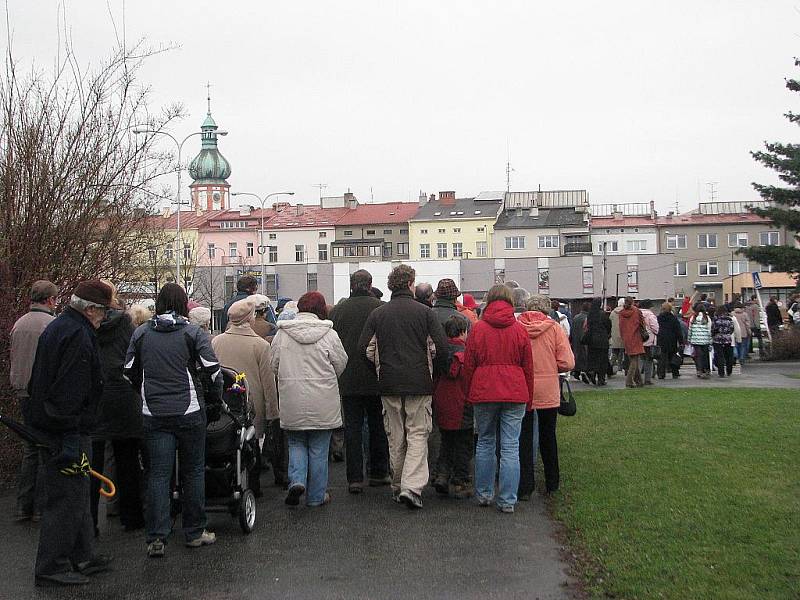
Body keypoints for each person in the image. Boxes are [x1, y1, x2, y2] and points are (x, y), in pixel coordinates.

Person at [124, 283, 222, 558]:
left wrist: (143, 392)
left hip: (154, 413)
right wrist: (214, 399)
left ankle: (157, 537)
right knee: (193, 472)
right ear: (182, 304)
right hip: (189, 412)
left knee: (158, 475)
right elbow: (213, 370)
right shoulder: (191, 332)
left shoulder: (141, 333)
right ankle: (194, 532)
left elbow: (129, 371)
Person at [27, 280, 113, 586]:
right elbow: (70, 390)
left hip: (59, 425)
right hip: (65, 429)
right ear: (90, 309)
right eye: (103, 312)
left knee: (76, 495)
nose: (105, 318)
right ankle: (52, 566)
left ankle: (82, 555)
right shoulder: (77, 334)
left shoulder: (62, 326)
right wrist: (70, 434)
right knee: (66, 499)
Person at [358, 264, 448, 510]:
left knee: (395, 436)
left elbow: (362, 348)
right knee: (418, 434)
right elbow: (441, 348)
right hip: (419, 382)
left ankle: (398, 485)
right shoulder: (425, 313)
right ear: (410, 283)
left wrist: (378, 373)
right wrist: (434, 373)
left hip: (388, 382)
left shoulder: (379, 314)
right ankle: (411, 487)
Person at [270, 292, 347, 507]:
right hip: (323, 400)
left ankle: (296, 480)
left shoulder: (282, 335)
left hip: (291, 398)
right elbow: (341, 363)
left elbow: (273, 365)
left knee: (295, 443)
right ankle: (316, 496)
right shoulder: (329, 334)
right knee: (319, 449)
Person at [463, 284, 533, 514]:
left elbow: (469, 365)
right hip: (514, 391)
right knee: (511, 446)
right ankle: (507, 500)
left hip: (484, 391)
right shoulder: (519, 330)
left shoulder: (478, 329)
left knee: (485, 441)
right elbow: (528, 368)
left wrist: (468, 393)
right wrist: (529, 397)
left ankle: (484, 494)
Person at [329, 269, 390, 494]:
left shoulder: (338, 311)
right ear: (370, 284)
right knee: (378, 426)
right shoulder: (380, 308)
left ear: (351, 284)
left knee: (352, 428)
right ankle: (379, 472)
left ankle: (355, 478)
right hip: (375, 376)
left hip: (348, 377)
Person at [90, 281, 144, 534]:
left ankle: (89, 522)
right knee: (128, 460)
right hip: (124, 396)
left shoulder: (88, 325)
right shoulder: (126, 325)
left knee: (93, 463)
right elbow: (135, 359)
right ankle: (131, 517)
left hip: (97, 396)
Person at [211, 298, 278, 497]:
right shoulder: (260, 345)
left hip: (225, 402)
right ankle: (253, 487)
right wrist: (273, 412)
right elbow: (268, 382)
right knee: (252, 443)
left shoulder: (217, 341)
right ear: (250, 318)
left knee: (227, 444)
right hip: (251, 402)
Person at [10, 280, 58, 523]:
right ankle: (41, 506)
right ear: (50, 300)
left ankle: (23, 505)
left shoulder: (19, 324)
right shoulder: (51, 325)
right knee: (45, 448)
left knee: (30, 447)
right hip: (43, 393)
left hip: (22, 391)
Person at [517, 295, 574, 496]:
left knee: (524, 438)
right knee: (548, 436)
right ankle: (552, 482)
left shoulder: (517, 328)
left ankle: (525, 486)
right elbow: (567, 362)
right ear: (547, 310)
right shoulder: (555, 329)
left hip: (523, 387)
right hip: (548, 388)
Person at [431, 315, 473, 498]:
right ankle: (460, 481)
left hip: (442, 400)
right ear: (463, 332)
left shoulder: (439, 352)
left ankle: (442, 474)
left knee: (446, 441)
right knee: (464, 444)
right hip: (462, 402)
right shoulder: (467, 353)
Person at [618, 297, 645, 388]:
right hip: (635, 336)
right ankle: (629, 381)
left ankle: (639, 381)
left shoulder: (621, 313)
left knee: (633, 358)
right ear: (632, 302)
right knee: (634, 360)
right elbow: (641, 323)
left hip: (626, 337)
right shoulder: (636, 311)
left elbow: (621, 327)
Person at [584, 299, 611, 385]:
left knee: (593, 359)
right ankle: (601, 379)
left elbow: (588, 327)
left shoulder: (590, 315)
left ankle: (592, 371)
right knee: (603, 360)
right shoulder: (603, 315)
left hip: (592, 340)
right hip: (602, 340)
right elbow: (608, 326)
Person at [656, 302, 683, 379]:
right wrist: (681, 341)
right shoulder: (674, 318)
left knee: (662, 358)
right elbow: (678, 331)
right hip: (672, 339)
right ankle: (675, 372)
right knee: (673, 356)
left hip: (661, 339)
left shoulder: (658, 318)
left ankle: (661, 373)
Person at [688, 304, 712, 378]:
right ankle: (706, 369)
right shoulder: (707, 318)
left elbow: (690, 329)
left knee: (698, 356)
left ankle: (699, 370)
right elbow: (709, 330)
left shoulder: (693, 318)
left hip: (695, 340)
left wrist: (689, 339)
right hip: (705, 340)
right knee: (705, 355)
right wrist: (710, 341)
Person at [639, 299, 660, 385]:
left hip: (638, 339)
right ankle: (647, 379)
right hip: (648, 340)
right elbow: (655, 328)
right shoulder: (651, 315)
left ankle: (637, 378)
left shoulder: (637, 314)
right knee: (649, 360)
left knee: (639, 360)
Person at [711, 305, 735, 377]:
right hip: (727, 339)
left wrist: (714, 334)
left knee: (719, 356)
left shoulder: (716, 319)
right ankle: (729, 370)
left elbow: (713, 329)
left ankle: (721, 372)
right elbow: (732, 329)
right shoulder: (729, 319)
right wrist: (727, 334)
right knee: (728, 356)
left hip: (717, 339)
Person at [569, 302, 589, 383]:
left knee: (577, 355)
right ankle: (584, 371)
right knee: (584, 356)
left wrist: (571, 338)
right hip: (583, 339)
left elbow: (572, 328)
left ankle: (576, 371)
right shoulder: (587, 317)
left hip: (575, 339)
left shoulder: (576, 317)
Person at [609, 298, 625, 374]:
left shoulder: (612, 313)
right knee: (624, 352)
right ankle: (621, 367)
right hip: (623, 334)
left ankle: (610, 365)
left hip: (614, 335)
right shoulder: (626, 312)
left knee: (615, 352)